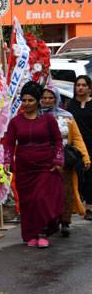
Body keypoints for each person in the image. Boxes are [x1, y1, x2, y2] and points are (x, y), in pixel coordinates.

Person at [2, 81, 64, 247]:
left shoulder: (48, 120)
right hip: (24, 167)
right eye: (24, 100)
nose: (26, 104)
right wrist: (7, 160)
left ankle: (42, 231)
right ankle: (31, 233)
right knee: (28, 202)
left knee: (41, 198)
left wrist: (58, 160)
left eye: (30, 100)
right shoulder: (15, 122)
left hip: (45, 165)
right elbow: (9, 143)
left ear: (38, 101)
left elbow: (58, 141)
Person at [41, 86, 90, 237]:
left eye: (51, 98)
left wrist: (85, 157)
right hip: (42, 161)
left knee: (66, 191)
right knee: (46, 193)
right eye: (45, 98)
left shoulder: (67, 116)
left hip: (64, 160)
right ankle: (47, 222)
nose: (47, 101)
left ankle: (65, 221)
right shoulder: (34, 115)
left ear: (57, 99)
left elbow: (76, 138)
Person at [66, 75, 92, 218]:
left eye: (83, 85)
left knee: (90, 176)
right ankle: (78, 204)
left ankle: (89, 207)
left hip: (91, 144)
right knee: (77, 175)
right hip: (75, 147)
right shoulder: (70, 105)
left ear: (89, 88)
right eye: (78, 85)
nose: (80, 88)